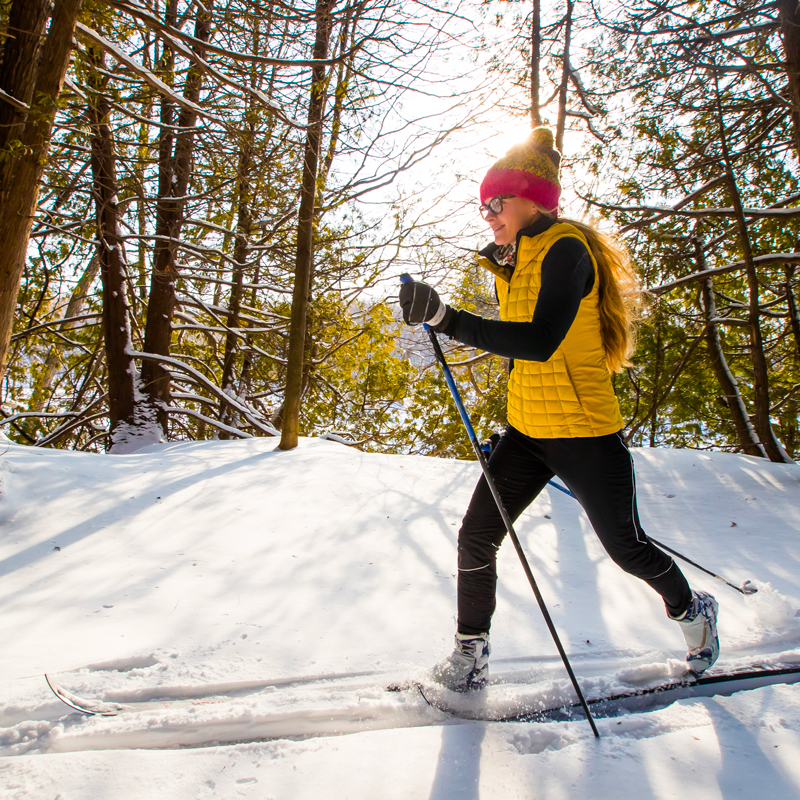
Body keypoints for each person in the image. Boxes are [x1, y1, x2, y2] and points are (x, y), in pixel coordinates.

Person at [399, 127, 719, 692]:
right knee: (477, 535)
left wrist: (447, 318)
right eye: (483, 206)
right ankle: (470, 656)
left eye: (496, 202)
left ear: (532, 200)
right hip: (527, 432)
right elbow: (524, 359)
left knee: (627, 549)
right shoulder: (516, 260)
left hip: (586, 434)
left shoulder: (567, 249)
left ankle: (692, 610)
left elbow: (542, 339)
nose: (488, 214)